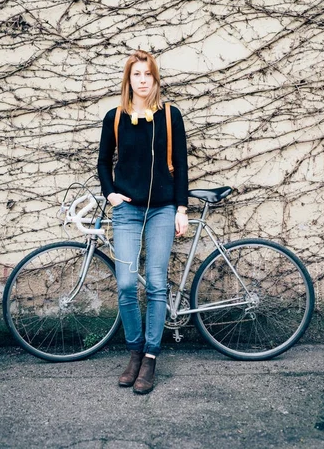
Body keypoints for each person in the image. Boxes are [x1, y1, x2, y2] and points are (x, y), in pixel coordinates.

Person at [97, 50, 189, 394]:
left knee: (155, 283)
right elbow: (103, 162)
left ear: (155, 79)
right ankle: (134, 351)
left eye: (148, 74)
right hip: (127, 211)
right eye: (137, 74)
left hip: (163, 210)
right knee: (124, 284)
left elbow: (180, 164)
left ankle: (150, 356)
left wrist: (181, 208)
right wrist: (111, 194)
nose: (143, 80)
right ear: (129, 79)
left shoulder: (170, 116)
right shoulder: (115, 117)